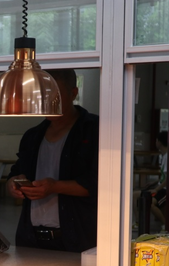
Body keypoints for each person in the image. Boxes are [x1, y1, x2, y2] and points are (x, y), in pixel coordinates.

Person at [6, 69, 99, 253]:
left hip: (77, 238)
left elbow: (99, 184)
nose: (46, 102)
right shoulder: (32, 136)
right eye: (41, 95)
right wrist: (12, 184)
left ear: (73, 93)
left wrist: (54, 187)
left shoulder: (93, 130)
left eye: (54, 95)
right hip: (30, 238)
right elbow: (15, 173)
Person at [133, 131, 168, 229]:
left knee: (150, 203)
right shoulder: (164, 156)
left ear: (159, 142)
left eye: (156, 140)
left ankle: (166, 225)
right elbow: (164, 177)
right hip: (160, 188)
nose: (155, 142)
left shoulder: (168, 156)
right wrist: (154, 182)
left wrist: (156, 189)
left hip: (165, 190)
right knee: (134, 195)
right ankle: (138, 222)